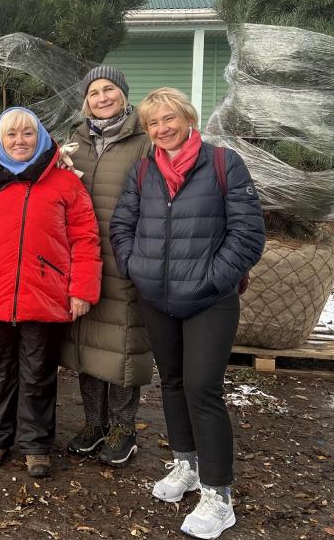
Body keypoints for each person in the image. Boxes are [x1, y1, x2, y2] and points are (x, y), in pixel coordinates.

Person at [109, 88, 265, 539]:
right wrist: (136, 267)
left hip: (210, 298)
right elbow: (124, 224)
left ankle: (219, 495)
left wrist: (214, 277)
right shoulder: (144, 171)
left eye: (169, 119)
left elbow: (248, 233)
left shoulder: (222, 163)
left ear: (187, 117)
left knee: (203, 388)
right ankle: (186, 466)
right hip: (157, 297)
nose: (162, 129)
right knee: (173, 383)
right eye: (153, 123)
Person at [0, 107, 102, 477]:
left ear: (41, 138)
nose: (19, 141)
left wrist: (81, 289)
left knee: (38, 373)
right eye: (11, 135)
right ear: (0, 139)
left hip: (45, 294)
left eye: (27, 134)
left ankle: (36, 445)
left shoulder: (64, 183)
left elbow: (85, 238)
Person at [61, 66, 153, 467]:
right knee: (87, 342)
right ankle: (94, 423)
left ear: (124, 94)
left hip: (124, 258)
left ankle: (123, 428)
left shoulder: (144, 142)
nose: (102, 97)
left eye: (109, 89)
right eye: (94, 91)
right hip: (82, 258)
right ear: (86, 100)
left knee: (123, 344)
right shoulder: (73, 146)